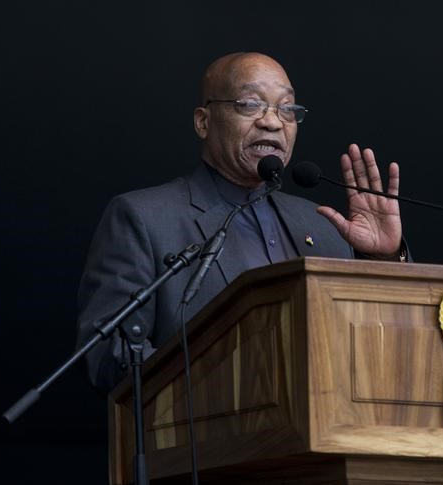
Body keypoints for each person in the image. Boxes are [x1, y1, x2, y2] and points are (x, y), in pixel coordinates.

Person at [75, 52, 405, 392]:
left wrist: (383, 260)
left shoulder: (322, 225)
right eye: (251, 104)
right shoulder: (143, 217)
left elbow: (381, 350)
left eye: (287, 108)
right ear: (203, 121)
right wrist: (230, 387)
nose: (273, 122)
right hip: (207, 439)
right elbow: (107, 356)